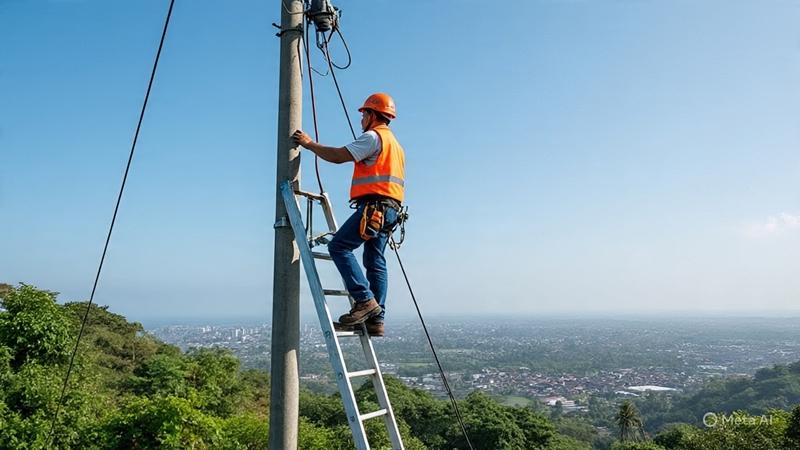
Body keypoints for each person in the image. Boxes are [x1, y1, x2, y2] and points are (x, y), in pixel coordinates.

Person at [291, 93, 405, 337]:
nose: (361, 118)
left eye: (364, 114)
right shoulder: (395, 145)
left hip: (375, 207)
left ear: (373, 115)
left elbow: (338, 156)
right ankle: (377, 319)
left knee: (339, 247)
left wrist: (309, 144)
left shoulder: (373, 137)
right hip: (390, 210)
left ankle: (365, 301)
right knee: (375, 261)